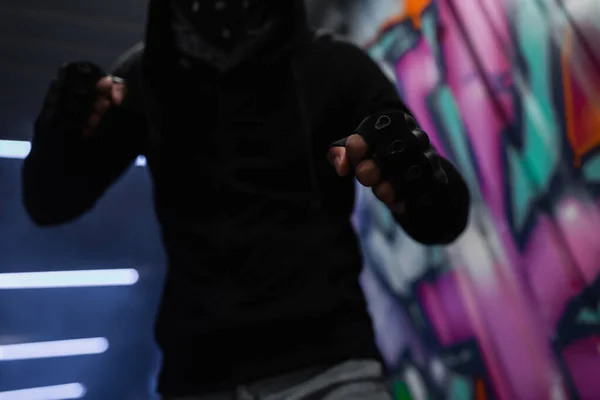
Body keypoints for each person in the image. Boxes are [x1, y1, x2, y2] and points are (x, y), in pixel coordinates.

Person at [22, 1, 470, 399]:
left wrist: (414, 175)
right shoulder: (147, 80)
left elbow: (444, 219)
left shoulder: (335, 68)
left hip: (328, 369)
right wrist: (58, 133)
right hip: (199, 378)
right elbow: (49, 202)